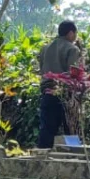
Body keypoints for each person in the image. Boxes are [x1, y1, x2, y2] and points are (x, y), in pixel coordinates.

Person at [37, 20, 81, 149]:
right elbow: (74, 74)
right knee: (71, 126)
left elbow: (42, 69)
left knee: (47, 129)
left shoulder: (45, 48)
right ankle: (74, 156)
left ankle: (42, 158)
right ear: (71, 33)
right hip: (65, 94)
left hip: (47, 91)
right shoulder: (72, 49)